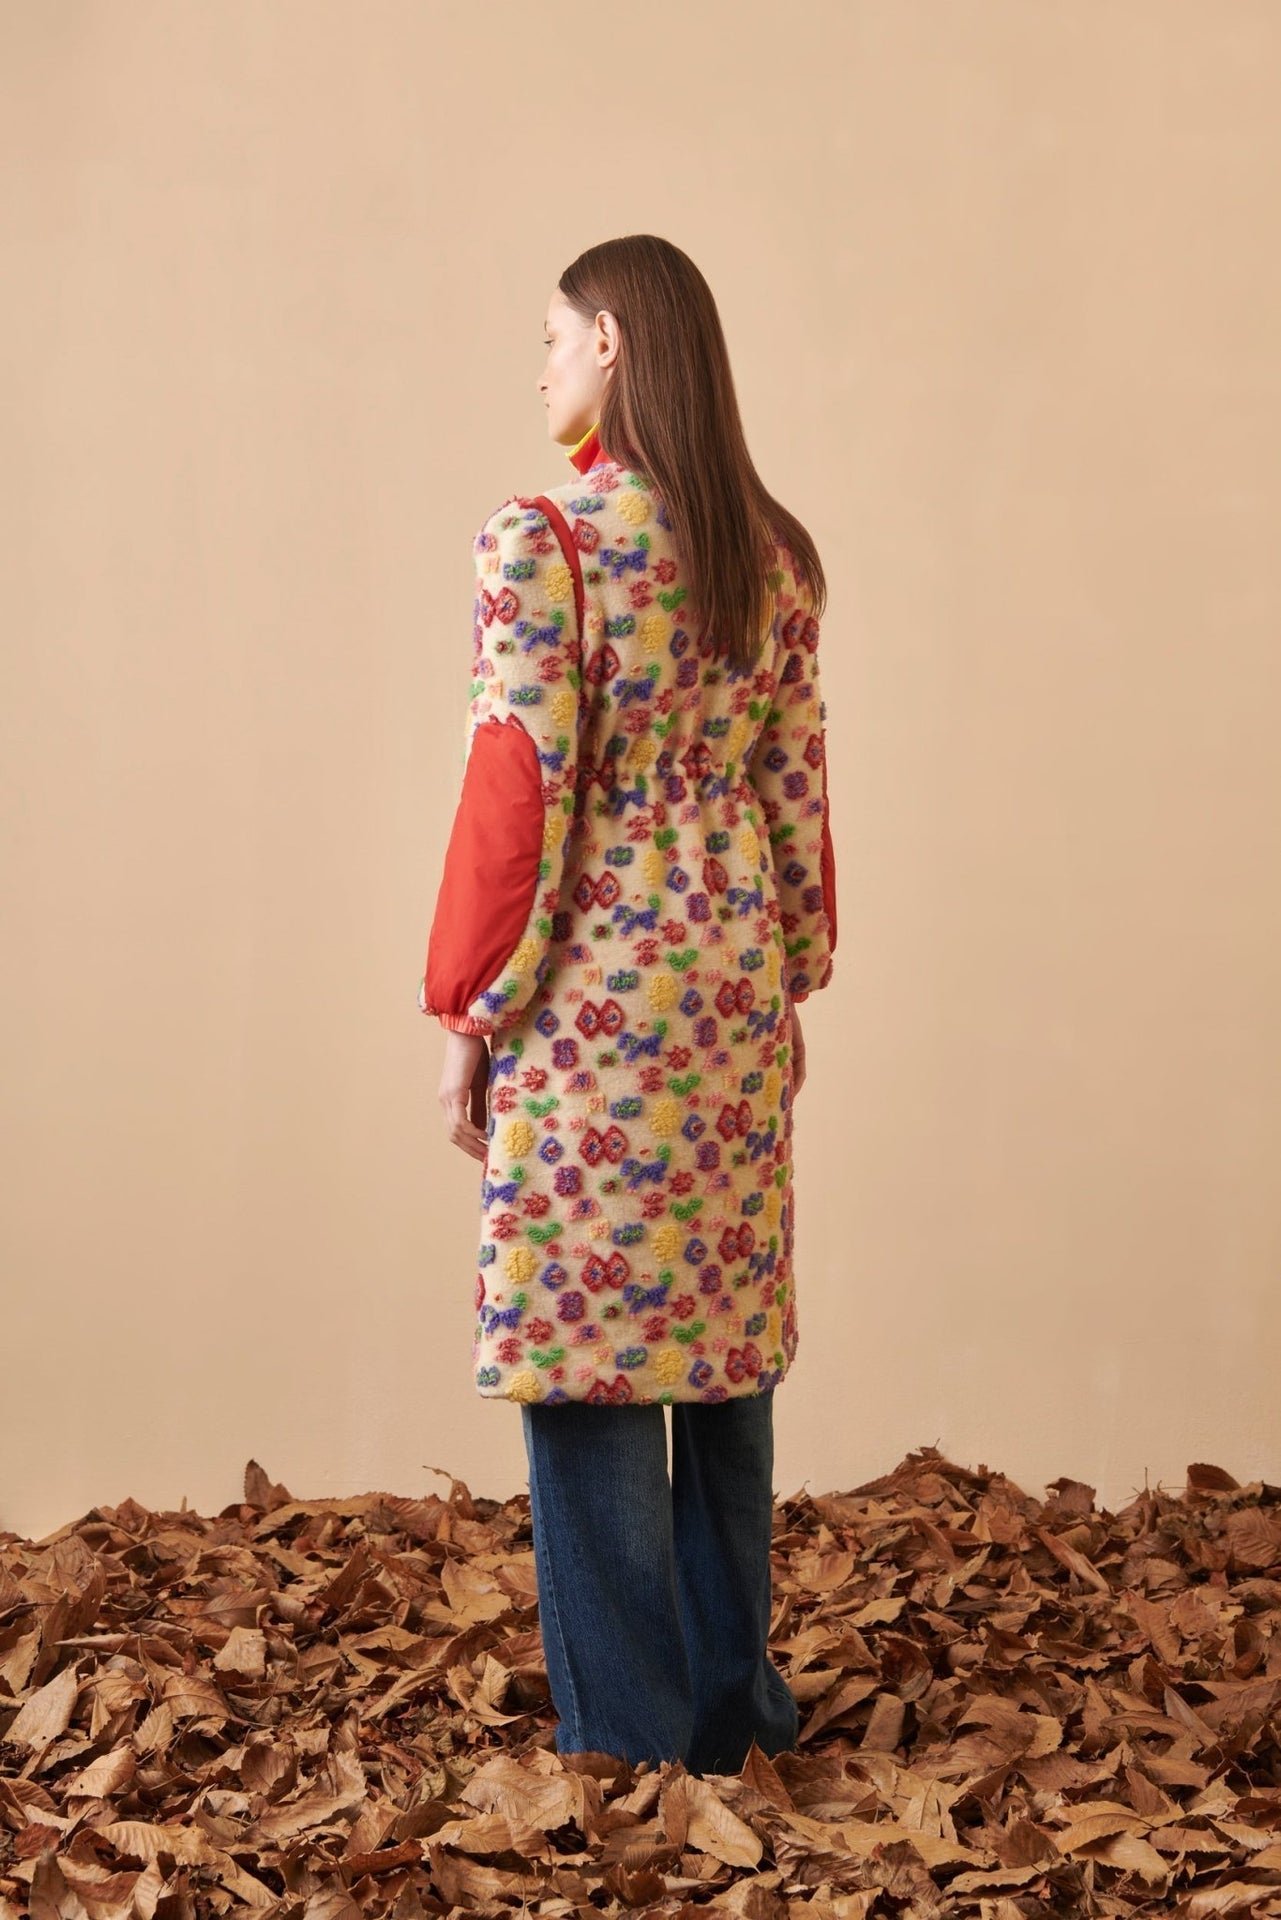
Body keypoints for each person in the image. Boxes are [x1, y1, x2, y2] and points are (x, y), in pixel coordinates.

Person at [417, 235, 837, 1774]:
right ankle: (735, 1714)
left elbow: (515, 793)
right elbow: (795, 797)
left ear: (608, 341)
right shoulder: (770, 554)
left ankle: (629, 1742)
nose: (538, 368)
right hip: (727, 982)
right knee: (718, 1347)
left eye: (551, 338)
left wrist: (470, 1011)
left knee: (590, 1354)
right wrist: (787, 979)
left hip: (590, 991)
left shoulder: (545, 543)